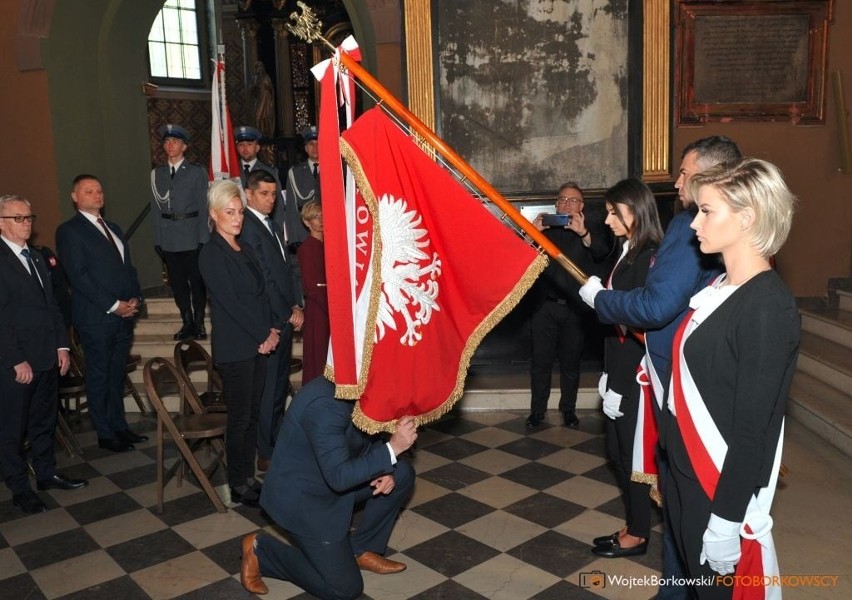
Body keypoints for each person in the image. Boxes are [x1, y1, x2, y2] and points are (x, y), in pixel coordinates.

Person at [579, 136, 741, 600]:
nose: (677, 182)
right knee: (677, 510)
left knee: (692, 514)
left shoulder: (686, 229)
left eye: (686, 173)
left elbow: (657, 305)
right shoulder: (687, 230)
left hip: (686, 389)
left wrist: (601, 300)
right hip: (670, 380)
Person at [664, 158, 799, 599]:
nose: (694, 223)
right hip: (687, 474)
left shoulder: (767, 307)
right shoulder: (723, 286)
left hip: (717, 485)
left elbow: (752, 430)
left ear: (746, 219)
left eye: (707, 211)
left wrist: (724, 521)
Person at [240, 377, 418, 599]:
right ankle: (263, 551)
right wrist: (392, 449)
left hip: (334, 481)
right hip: (305, 500)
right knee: (345, 589)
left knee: (401, 473)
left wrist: (386, 466)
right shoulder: (324, 403)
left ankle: (360, 549)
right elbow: (339, 477)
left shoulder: (359, 387)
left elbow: (365, 436)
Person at [0, 195, 88, 514]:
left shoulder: (36, 257)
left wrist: (62, 346)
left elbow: (52, 306)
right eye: (18, 218)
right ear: (1, 223)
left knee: (43, 421)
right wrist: (14, 359)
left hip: (46, 356)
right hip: (16, 363)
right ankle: (20, 488)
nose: (26, 224)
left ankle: (47, 472)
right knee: (12, 429)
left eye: (29, 217)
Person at [589, 179, 663, 559]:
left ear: (633, 210)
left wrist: (603, 297)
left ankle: (638, 533)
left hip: (637, 373)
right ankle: (635, 523)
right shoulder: (629, 250)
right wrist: (607, 373)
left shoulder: (650, 254)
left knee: (633, 457)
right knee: (618, 452)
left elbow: (641, 320)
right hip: (619, 368)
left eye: (612, 211)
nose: (607, 218)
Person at [199, 180, 280, 506]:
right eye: (229, 212)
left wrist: (271, 329)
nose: (236, 218)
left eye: (240, 212)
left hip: (257, 341)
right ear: (214, 215)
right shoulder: (211, 254)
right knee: (240, 418)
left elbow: (259, 296)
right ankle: (237, 483)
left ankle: (248, 477)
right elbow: (232, 303)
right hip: (236, 347)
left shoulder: (243, 248)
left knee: (253, 415)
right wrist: (263, 334)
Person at [56, 174, 146, 453]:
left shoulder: (115, 228)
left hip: (123, 315)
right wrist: (112, 304)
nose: (97, 195)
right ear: (75, 197)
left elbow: (127, 269)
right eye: (89, 191)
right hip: (96, 317)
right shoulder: (69, 231)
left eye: (99, 190)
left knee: (116, 374)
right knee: (99, 375)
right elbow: (79, 276)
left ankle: (120, 426)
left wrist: (134, 298)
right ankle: (105, 433)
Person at [526, 182, 612, 428]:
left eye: (573, 200)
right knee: (540, 363)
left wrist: (583, 233)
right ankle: (537, 411)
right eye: (563, 200)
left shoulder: (592, 229)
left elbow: (602, 254)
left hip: (574, 309)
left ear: (582, 206)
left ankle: (568, 410)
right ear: (556, 204)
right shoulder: (544, 228)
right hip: (543, 307)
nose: (567, 204)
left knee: (571, 364)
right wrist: (533, 232)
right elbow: (518, 254)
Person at [239, 169, 304, 472]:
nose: (269, 200)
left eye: (273, 194)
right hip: (270, 321)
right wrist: (287, 311)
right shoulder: (248, 228)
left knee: (278, 387)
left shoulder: (273, 225)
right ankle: (265, 451)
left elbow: (287, 268)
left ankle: (274, 442)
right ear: (249, 194)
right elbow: (265, 277)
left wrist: (296, 302)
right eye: (263, 194)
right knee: (268, 391)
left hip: (284, 316)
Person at [149, 123, 210, 341]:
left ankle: (200, 323)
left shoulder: (196, 172)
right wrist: (158, 238)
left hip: (192, 235)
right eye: (166, 142)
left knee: (197, 282)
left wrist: (204, 237)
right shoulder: (157, 174)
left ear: (184, 146)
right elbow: (156, 208)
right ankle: (187, 322)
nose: (170, 145)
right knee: (178, 284)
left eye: (174, 141)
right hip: (169, 238)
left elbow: (204, 206)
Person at [234, 125, 304, 258]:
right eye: (241, 144)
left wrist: (275, 231)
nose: (245, 148)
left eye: (249, 144)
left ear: (257, 147)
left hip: (262, 229)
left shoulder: (269, 171)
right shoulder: (232, 171)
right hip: (239, 229)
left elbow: (277, 205)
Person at [297, 200, 329, 385]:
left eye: (323, 215)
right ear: (307, 222)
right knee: (318, 361)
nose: (321, 219)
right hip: (318, 312)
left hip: (330, 311)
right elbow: (312, 287)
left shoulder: (331, 246)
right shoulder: (307, 248)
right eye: (316, 217)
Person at [283, 125, 318, 247]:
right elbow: (291, 208)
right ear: (305, 148)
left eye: (318, 143)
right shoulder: (295, 172)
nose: (315, 147)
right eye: (311, 144)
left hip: (328, 234)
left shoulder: (334, 171)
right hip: (303, 234)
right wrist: (293, 238)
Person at [251, 60, 275, 139]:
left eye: (260, 67)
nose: (259, 69)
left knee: (266, 117)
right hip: (258, 101)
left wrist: (267, 87)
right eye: (257, 68)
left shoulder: (266, 77)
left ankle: (266, 133)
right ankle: (258, 133)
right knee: (257, 117)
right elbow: (251, 89)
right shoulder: (254, 78)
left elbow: (271, 89)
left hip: (266, 101)